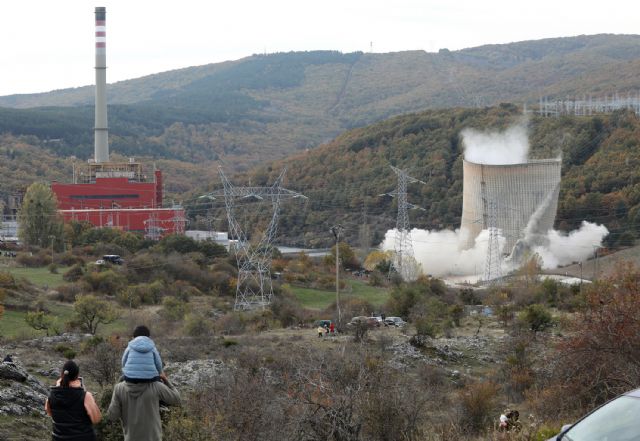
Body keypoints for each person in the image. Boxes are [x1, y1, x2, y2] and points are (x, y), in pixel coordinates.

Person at [107, 371, 181, 441]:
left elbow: (112, 416)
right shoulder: (156, 385)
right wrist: (165, 379)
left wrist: (117, 390)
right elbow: (177, 399)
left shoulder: (119, 388)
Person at [45, 360, 101, 441]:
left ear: (62, 374)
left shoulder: (51, 395)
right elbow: (96, 419)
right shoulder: (85, 396)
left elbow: (50, 413)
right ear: (77, 375)